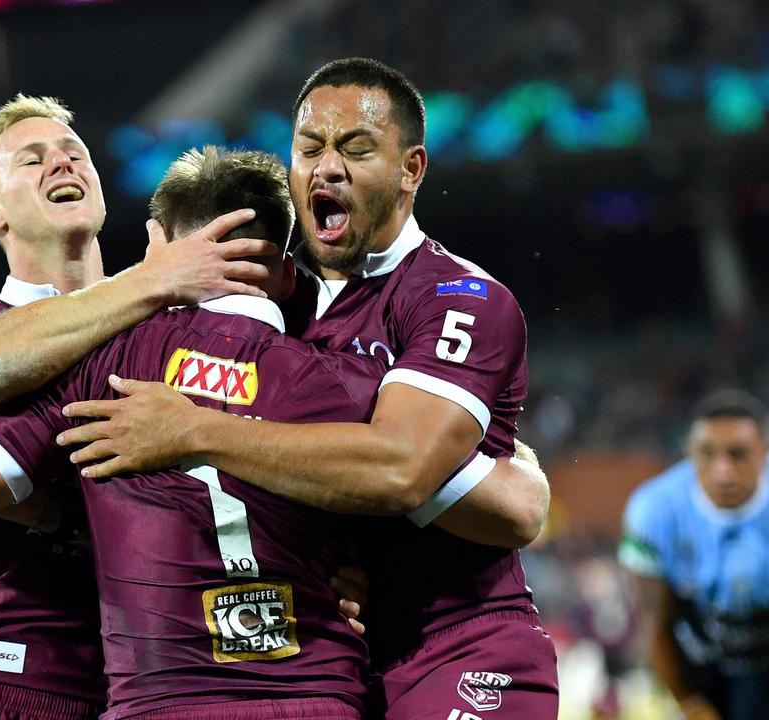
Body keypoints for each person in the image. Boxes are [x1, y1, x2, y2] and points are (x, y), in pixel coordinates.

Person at [58, 58, 559, 719]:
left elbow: (401, 468)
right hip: (342, 659)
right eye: (309, 148)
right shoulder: (282, 312)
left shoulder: (454, 298)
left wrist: (193, 431)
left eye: (355, 148)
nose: (327, 167)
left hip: (462, 647)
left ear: (412, 170)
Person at [0, 146, 382, 719]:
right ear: (287, 274)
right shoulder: (350, 380)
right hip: (317, 698)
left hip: (153, 700)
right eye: (32, 158)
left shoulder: (105, 368)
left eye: (75, 153)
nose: (60, 165)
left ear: (155, 244)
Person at [618, 389, 769, 720]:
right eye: (707, 454)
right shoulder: (652, 512)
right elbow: (655, 626)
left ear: (766, 452)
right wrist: (696, 709)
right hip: (704, 673)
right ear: (689, 453)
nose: (723, 471)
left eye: (738, 454)